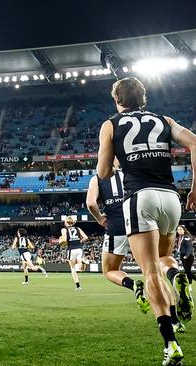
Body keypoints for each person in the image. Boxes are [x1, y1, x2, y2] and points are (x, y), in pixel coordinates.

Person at [97, 77, 196, 365]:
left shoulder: (111, 124)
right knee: (166, 257)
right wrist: (194, 187)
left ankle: (171, 343)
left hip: (140, 198)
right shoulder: (164, 119)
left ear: (117, 100)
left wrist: (116, 159)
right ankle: (177, 277)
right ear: (143, 99)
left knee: (150, 271)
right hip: (171, 197)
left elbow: (103, 173)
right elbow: (195, 143)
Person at [86, 167, 150, 313]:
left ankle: (133, 285)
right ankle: (172, 315)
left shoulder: (97, 178)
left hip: (117, 227)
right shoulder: (131, 171)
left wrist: (100, 219)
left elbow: (91, 203)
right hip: (138, 224)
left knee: (109, 270)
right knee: (151, 271)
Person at [59, 217, 88, 290]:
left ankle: (78, 286)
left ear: (66, 222)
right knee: (80, 268)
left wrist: (59, 241)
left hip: (71, 249)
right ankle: (82, 262)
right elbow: (86, 237)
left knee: (73, 268)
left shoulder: (64, 229)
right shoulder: (78, 228)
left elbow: (64, 240)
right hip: (79, 248)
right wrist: (80, 241)